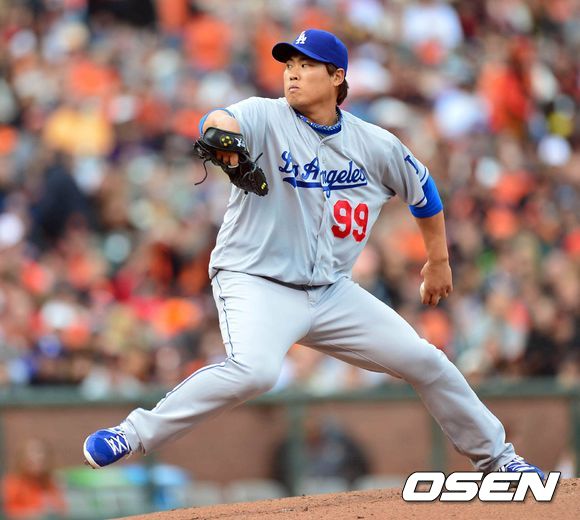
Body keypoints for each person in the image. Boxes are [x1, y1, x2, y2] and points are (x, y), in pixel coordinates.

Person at [83, 29, 544, 479]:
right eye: (289, 64)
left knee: (426, 361)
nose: (293, 73)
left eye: (306, 65)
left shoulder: (374, 144)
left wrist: (438, 260)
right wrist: (224, 138)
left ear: (337, 76)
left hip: (331, 292)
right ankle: (132, 433)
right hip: (256, 280)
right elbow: (219, 120)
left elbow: (423, 190)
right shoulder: (266, 116)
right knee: (255, 373)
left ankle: (499, 460)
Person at [2, 438, 67, 519]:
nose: (37, 459)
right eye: (32, 455)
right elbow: (8, 512)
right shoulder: (13, 483)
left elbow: (61, 510)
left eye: (41, 456)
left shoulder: (51, 482)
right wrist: (36, 514)